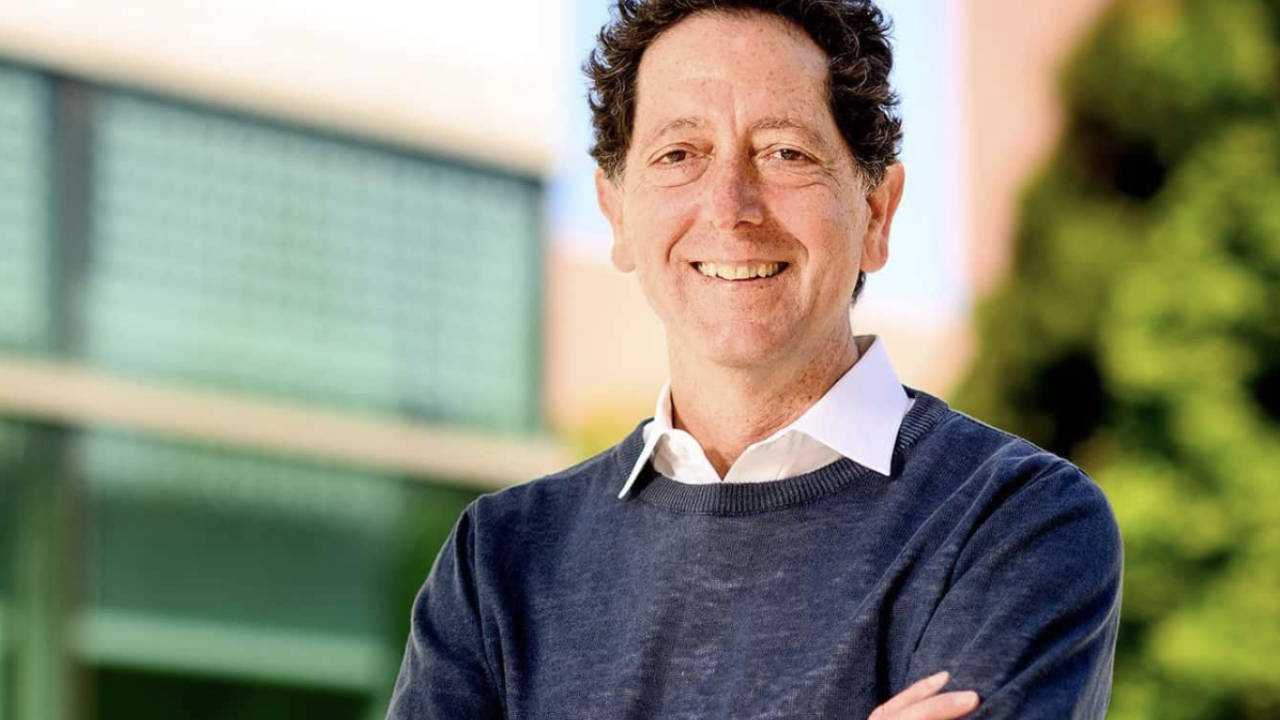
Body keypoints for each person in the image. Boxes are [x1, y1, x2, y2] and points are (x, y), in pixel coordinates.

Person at [386, 1, 1123, 718]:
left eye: (785, 153)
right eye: (680, 154)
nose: (731, 205)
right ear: (616, 212)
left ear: (876, 212)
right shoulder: (500, 564)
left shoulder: (1014, 525)